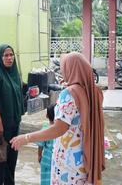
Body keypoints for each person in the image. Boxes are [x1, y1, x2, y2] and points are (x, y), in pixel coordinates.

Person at [10, 52, 105, 185]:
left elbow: (59, 128)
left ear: (71, 69)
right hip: (88, 156)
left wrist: (26, 138)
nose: (62, 71)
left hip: (68, 162)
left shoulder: (68, 94)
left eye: (64, 67)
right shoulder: (95, 92)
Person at [0, 44, 24, 185]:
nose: (9, 58)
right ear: (0, 57)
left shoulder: (14, 74)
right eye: (5, 55)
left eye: (11, 55)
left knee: (11, 160)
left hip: (13, 124)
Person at [36, 104, 55, 185]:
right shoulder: (61, 129)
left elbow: (40, 145)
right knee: (54, 178)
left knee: (45, 178)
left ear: (47, 115)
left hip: (46, 159)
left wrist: (39, 155)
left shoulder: (45, 128)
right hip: (56, 159)